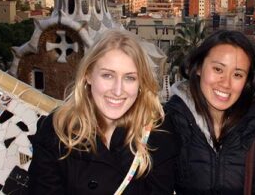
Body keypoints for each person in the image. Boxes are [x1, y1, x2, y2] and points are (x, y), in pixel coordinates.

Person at [28, 29, 178, 194]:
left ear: (141, 83)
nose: (118, 90)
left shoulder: (157, 134)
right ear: (88, 76)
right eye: (107, 75)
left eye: (130, 78)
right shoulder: (57, 129)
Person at [165, 30, 255, 194]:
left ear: (247, 82)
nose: (226, 83)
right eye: (218, 69)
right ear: (199, 67)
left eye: (237, 74)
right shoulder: (173, 121)